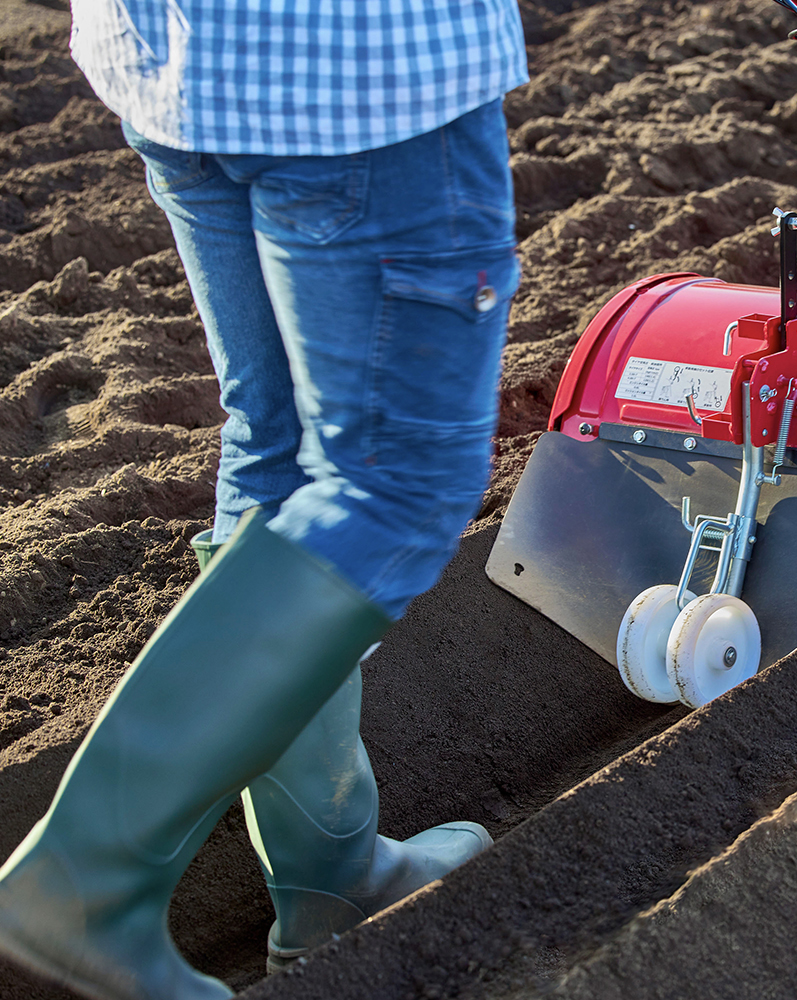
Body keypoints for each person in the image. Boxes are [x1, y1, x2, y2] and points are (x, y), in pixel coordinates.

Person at [0, 2, 528, 998]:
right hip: (364, 81)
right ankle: (81, 884)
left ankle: (332, 881)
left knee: (278, 452)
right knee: (397, 482)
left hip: (176, 63)